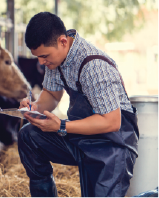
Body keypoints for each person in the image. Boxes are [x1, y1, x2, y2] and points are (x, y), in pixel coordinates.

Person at [18, 12, 139, 197]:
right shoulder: (55, 59)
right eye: (38, 57)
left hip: (112, 145)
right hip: (82, 137)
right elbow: (51, 94)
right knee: (29, 135)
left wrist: (61, 126)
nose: (41, 62)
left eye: (44, 56)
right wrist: (34, 108)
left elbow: (112, 122)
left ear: (62, 42)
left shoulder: (94, 66)